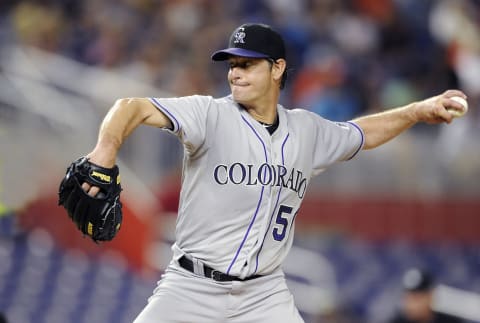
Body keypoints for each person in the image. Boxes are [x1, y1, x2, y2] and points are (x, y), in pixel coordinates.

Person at [79, 23, 467, 323]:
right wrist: (104, 151)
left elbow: (362, 133)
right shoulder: (209, 115)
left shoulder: (307, 130)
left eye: (247, 63)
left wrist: (416, 111)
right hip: (191, 286)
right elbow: (131, 106)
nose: (236, 73)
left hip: (263, 294)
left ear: (278, 68)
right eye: (232, 65)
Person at [388, 268, 465, 323]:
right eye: (408, 298)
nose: (412, 305)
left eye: (417, 298)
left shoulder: (450, 321)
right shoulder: (395, 321)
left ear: (430, 296)